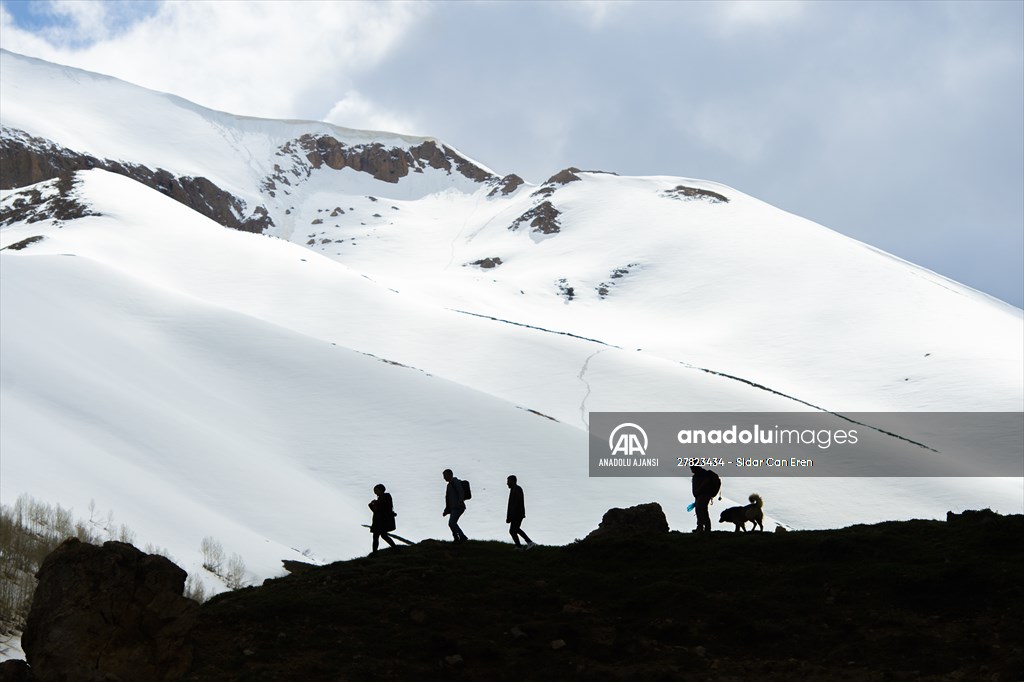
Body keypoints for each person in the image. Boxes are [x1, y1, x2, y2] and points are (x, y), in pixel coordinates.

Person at [506, 475, 535, 549]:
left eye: (508, 481)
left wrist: (512, 514)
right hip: (515, 514)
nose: (507, 483)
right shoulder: (514, 489)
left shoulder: (517, 489)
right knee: (513, 530)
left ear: (512, 481)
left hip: (517, 514)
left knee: (515, 529)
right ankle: (519, 546)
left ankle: (529, 542)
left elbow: (517, 503)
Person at [690, 466, 721, 533]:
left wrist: (699, 489)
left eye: (692, 467)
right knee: (702, 510)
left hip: (703, 495)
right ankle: (704, 528)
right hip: (700, 495)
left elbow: (706, 482)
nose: (691, 469)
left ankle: (702, 528)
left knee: (700, 509)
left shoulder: (702, 473)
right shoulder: (699, 474)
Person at [368, 483, 397, 555]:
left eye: (376, 490)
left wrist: (374, 504)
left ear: (381, 490)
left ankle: (375, 553)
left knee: (377, 536)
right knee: (382, 536)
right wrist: (372, 505)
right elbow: (377, 510)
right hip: (380, 520)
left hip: (381, 521)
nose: (375, 492)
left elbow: (381, 508)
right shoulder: (383, 498)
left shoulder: (385, 496)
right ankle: (395, 548)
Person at [442, 469, 468, 543]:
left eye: (445, 475)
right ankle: (457, 538)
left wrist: (460, 501)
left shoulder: (455, 482)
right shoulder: (449, 485)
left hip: (458, 507)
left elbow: (461, 491)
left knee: (452, 523)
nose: (444, 478)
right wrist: (446, 510)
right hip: (454, 508)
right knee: (452, 523)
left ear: (450, 475)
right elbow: (448, 498)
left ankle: (461, 537)